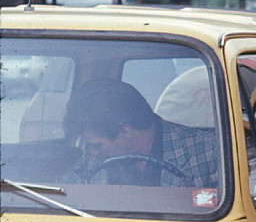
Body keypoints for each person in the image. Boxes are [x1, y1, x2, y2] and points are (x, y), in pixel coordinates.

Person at [63, 78, 218, 187]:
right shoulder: (90, 155)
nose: (93, 152)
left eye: (97, 145)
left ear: (125, 132)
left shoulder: (210, 153)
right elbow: (67, 193)